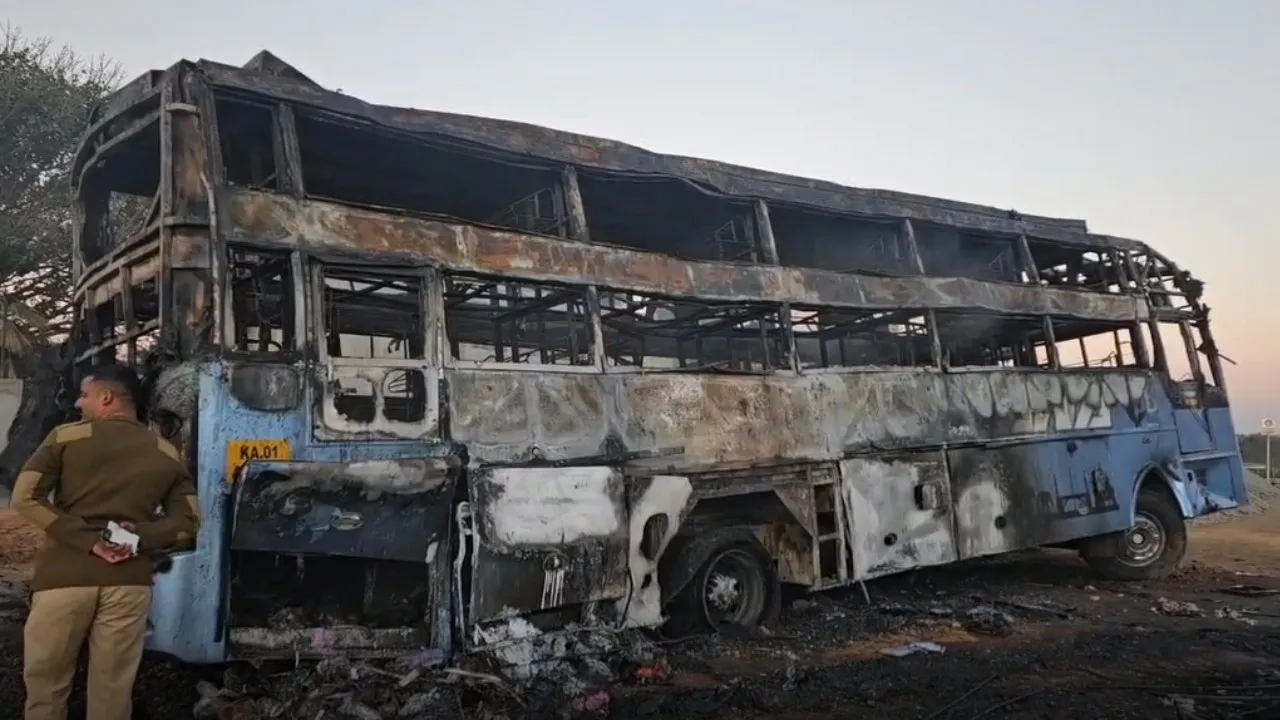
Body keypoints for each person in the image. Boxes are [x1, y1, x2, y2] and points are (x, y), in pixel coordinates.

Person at [10, 363, 201, 720]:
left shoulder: (65, 438)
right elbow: (188, 523)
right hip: (129, 582)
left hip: (64, 578)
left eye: (84, 395)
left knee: (46, 688)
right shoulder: (165, 451)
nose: (78, 403)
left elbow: (25, 498)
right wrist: (136, 536)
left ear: (107, 397)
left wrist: (90, 541)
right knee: (113, 693)